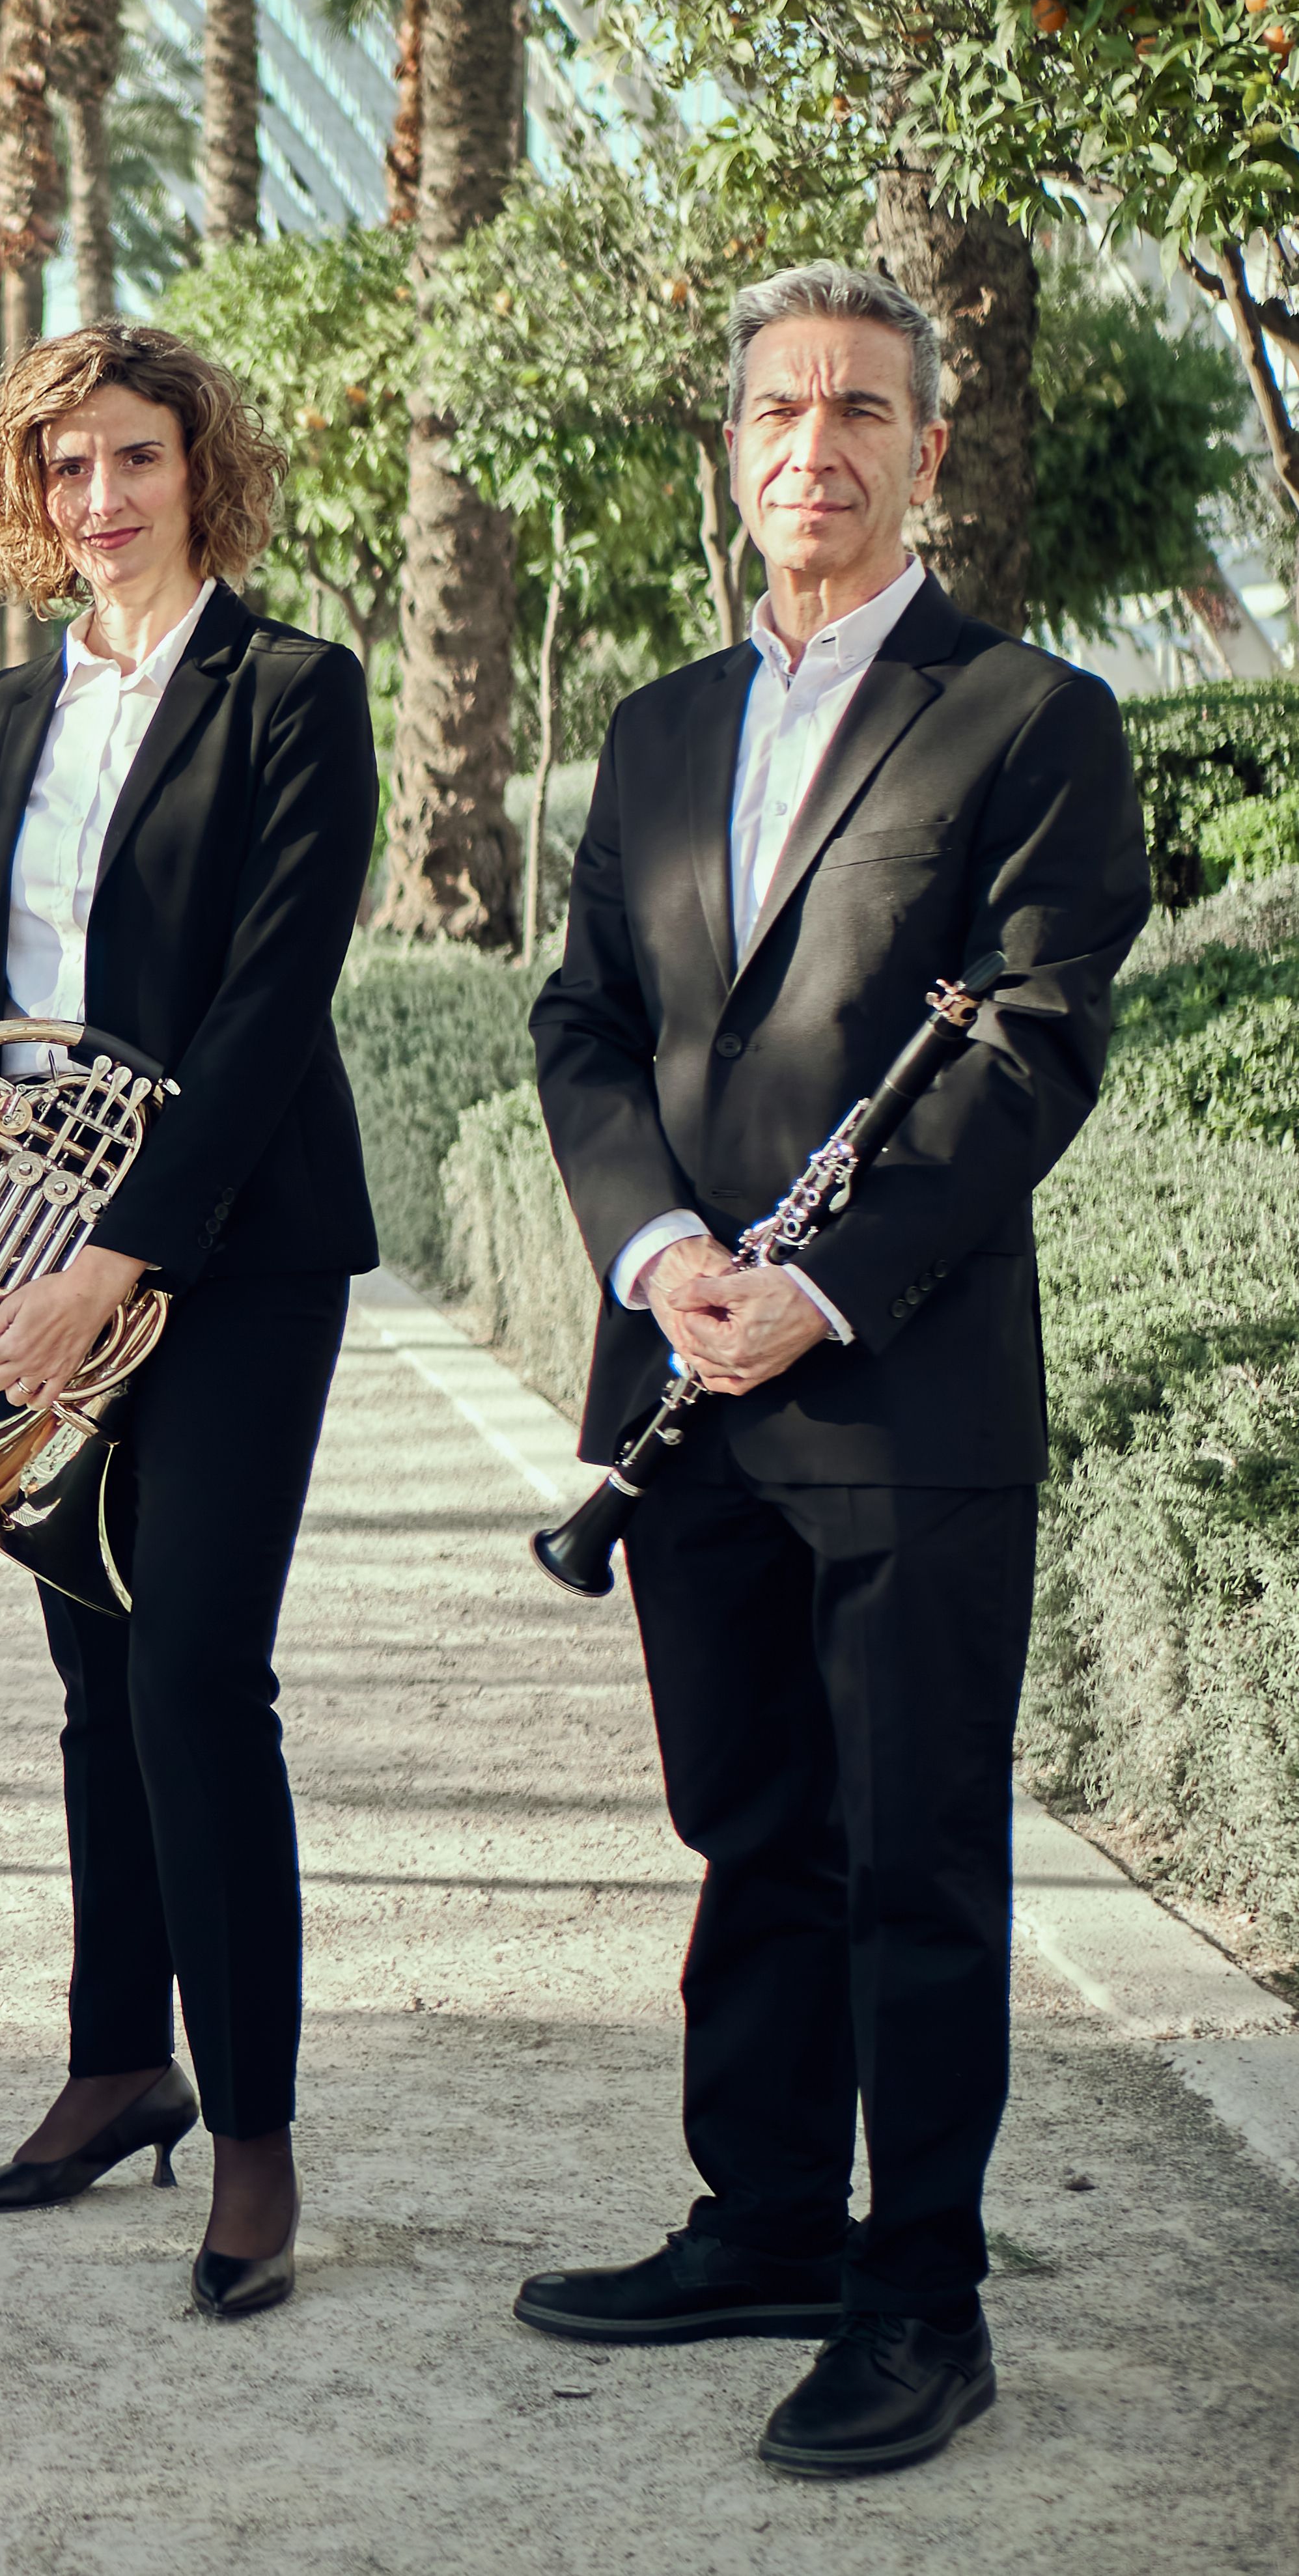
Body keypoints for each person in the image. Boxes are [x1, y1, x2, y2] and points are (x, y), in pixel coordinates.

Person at [517, 263, 1147, 2478]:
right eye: (778, 408)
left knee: (910, 1858)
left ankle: (921, 2297)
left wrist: (826, 1286)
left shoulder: (1029, 717)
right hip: (683, 1371)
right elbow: (584, 1022)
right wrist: (661, 1253)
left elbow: (1032, 1046)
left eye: (860, 408)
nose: (815, 445)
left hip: (897, 1389)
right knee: (749, 1829)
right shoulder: (655, 727)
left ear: (925, 450)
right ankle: (767, 2222)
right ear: (733, 446)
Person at [0, 325, 377, 2320]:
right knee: (94, 1677)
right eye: (65, 464)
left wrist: (126, 1248)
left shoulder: (293, 691)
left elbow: (270, 1003)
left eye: (135, 458)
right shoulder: (1, 715)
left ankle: (251, 2129)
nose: (99, 497)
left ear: (203, 472)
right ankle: (117, 2066)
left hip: (231, 1253)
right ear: (26, 492)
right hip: (24, 1234)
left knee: (194, 1675)